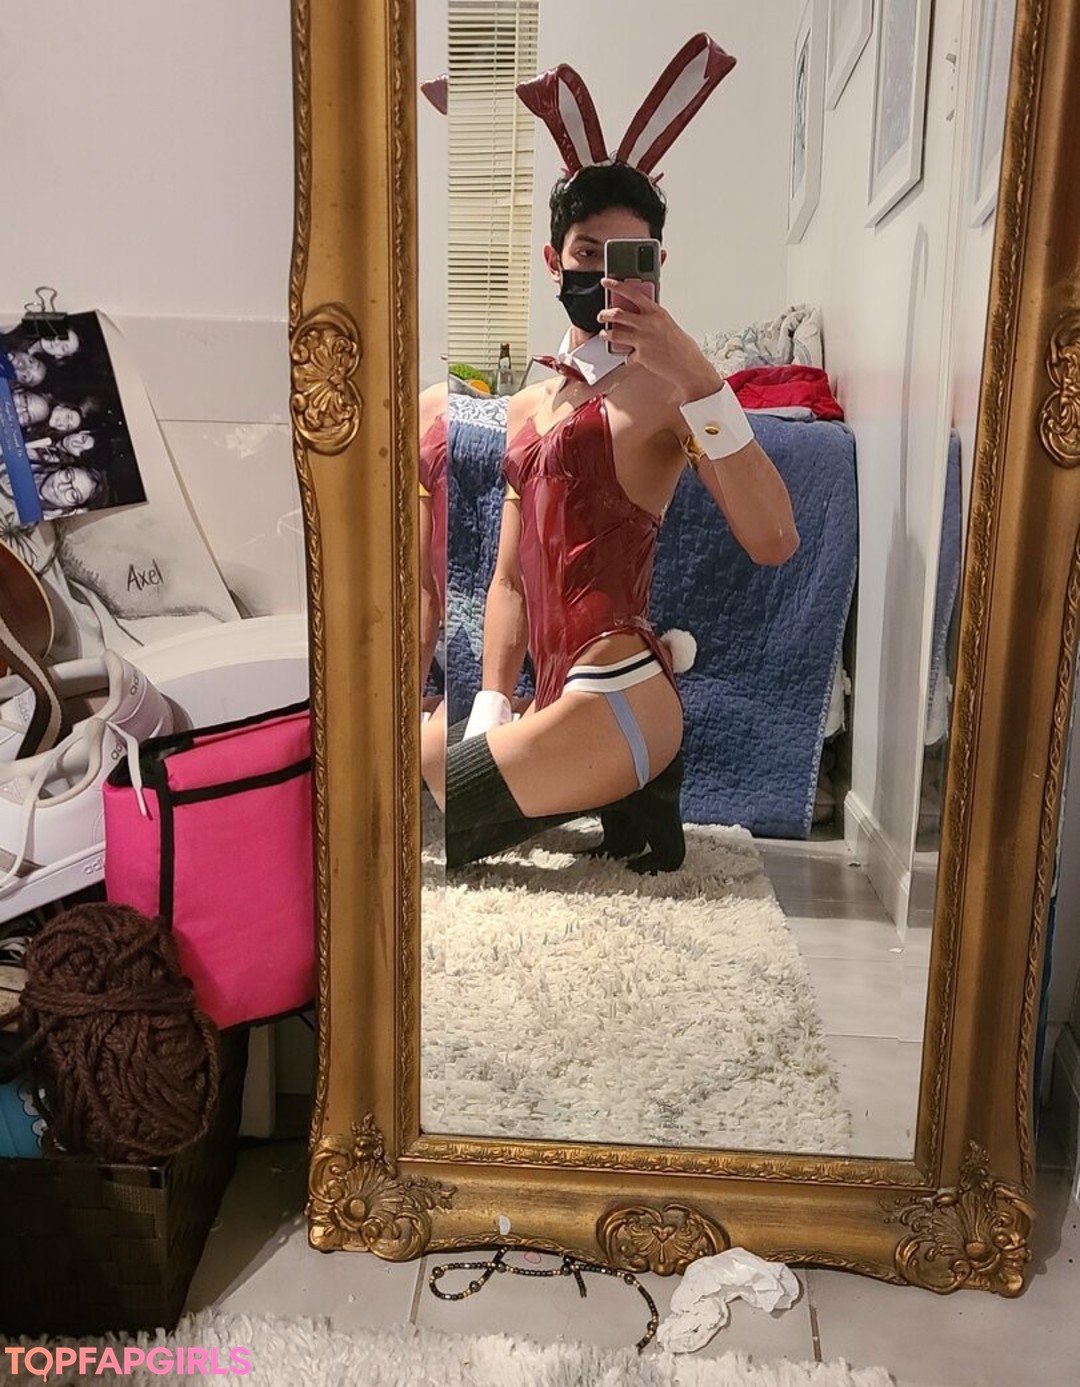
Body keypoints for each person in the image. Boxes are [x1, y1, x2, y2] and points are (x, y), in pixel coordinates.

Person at [424, 38, 799, 873]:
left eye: (631, 258)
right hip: (555, 698)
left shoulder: (669, 392)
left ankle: (631, 773)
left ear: (658, 267)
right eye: (587, 254)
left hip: (621, 692)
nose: (605, 276)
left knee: (416, 798)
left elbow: (775, 539)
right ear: (553, 261)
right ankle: (610, 787)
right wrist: (492, 706)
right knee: (402, 754)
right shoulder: (530, 406)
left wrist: (700, 376)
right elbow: (510, 582)